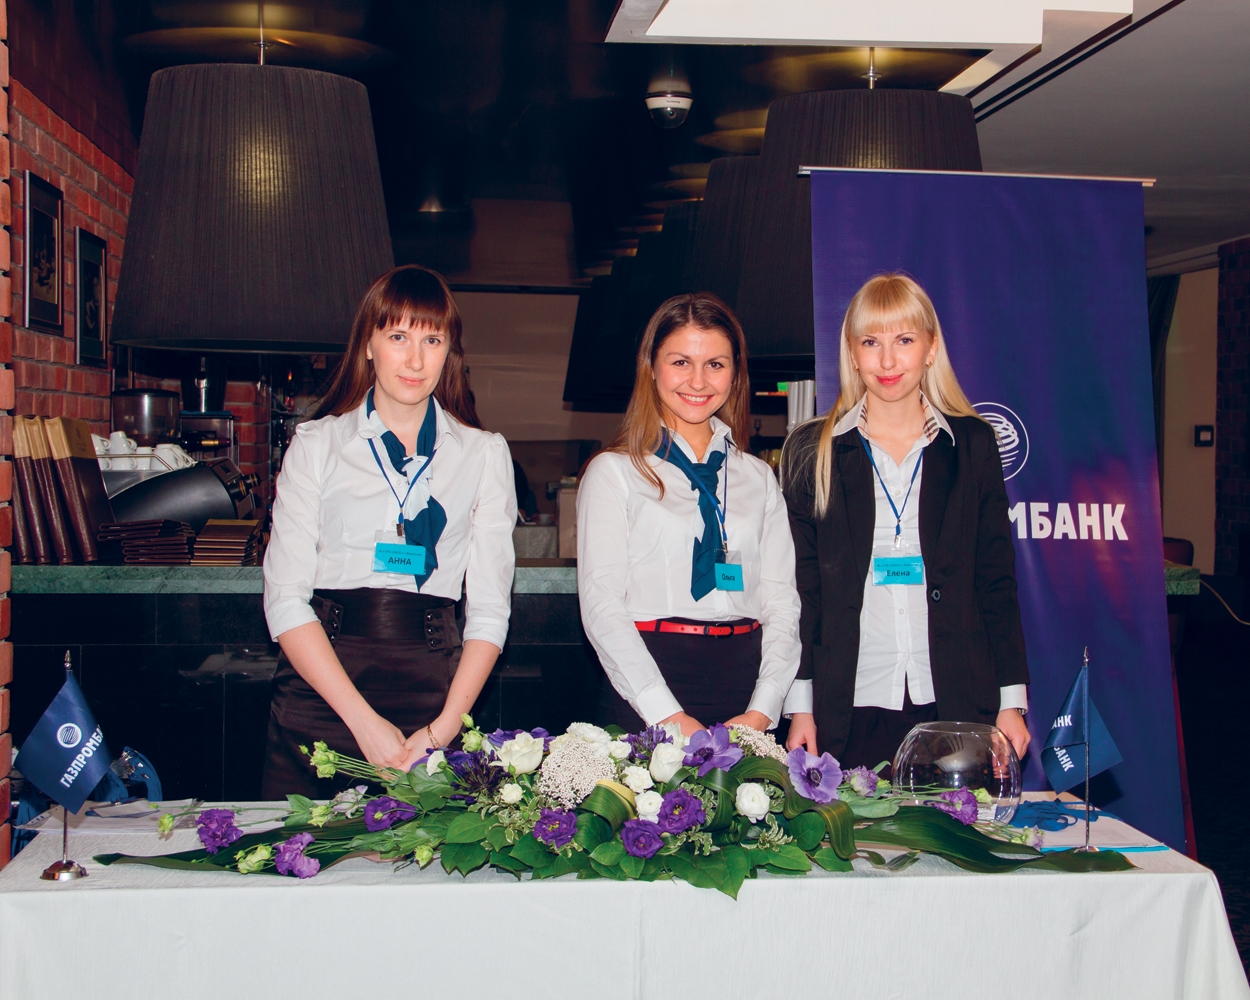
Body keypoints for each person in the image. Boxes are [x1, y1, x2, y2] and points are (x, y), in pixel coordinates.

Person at [261, 265, 516, 797]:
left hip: (435, 692)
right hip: (323, 691)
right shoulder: (316, 445)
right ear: (368, 345)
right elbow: (284, 600)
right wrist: (363, 722)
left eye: (432, 340)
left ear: (449, 352)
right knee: (301, 848)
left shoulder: (484, 454)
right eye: (398, 337)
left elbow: (490, 611)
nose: (415, 360)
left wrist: (442, 731)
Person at [781, 273, 1031, 769]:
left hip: (956, 700)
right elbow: (802, 591)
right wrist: (800, 705)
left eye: (904, 340)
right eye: (871, 342)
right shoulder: (812, 449)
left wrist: (1011, 701)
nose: (888, 361)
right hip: (845, 704)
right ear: (852, 353)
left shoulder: (973, 445)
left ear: (931, 348)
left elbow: (995, 582)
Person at [577, 292, 801, 737]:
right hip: (647, 682)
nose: (698, 381)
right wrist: (666, 715)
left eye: (715, 364)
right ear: (651, 367)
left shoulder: (758, 477)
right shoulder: (614, 472)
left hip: (746, 684)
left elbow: (781, 603)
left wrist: (765, 706)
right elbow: (602, 606)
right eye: (681, 362)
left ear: (735, 373)